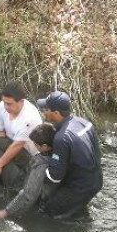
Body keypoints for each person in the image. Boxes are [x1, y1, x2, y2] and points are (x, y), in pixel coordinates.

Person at [36, 90, 103, 218]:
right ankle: (78, 210)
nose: (44, 111)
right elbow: (97, 153)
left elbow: (55, 176)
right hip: (97, 181)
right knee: (74, 207)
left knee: (47, 212)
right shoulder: (84, 122)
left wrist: (39, 169)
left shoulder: (62, 138)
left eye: (46, 109)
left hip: (80, 188)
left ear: (56, 113)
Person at [0, 123, 58, 221]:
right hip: (33, 181)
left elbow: (29, 194)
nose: (34, 146)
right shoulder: (59, 150)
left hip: (22, 187)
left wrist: (5, 212)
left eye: (35, 144)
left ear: (44, 146)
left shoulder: (41, 164)